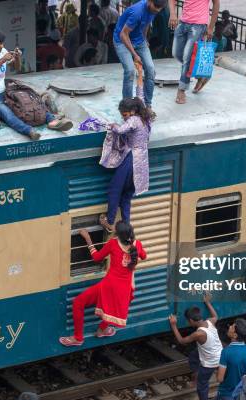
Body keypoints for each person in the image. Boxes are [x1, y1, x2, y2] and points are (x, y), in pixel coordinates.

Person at [59, 221, 147, 347]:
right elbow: (144, 256)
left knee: (78, 303)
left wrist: (88, 239)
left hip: (108, 286)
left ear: (117, 235)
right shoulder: (137, 245)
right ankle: (101, 330)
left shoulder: (112, 244)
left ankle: (78, 338)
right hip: (125, 289)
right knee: (111, 310)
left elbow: (96, 257)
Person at [0, 30, 72, 141]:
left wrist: (18, 57)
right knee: (6, 112)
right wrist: (1, 61)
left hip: (6, 90)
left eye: (2, 43)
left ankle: (52, 121)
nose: (2, 46)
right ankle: (28, 131)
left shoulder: (2, 51)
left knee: (31, 100)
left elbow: (17, 68)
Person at [99, 97, 152, 233]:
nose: (124, 118)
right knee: (126, 195)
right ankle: (126, 227)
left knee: (114, 189)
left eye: (125, 115)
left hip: (131, 159)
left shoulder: (133, 120)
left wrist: (111, 125)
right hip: (142, 162)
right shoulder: (145, 117)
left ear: (133, 111)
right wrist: (140, 75)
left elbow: (121, 130)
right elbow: (140, 95)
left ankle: (110, 221)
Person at [169, 293, 222, 400]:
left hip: (210, 362)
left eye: (188, 321)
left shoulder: (198, 333)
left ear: (192, 321)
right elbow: (215, 316)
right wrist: (207, 302)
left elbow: (182, 341)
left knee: (202, 385)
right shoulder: (210, 321)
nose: (188, 323)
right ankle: (196, 377)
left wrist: (173, 325)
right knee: (194, 356)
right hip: (219, 353)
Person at [113, 0, 166, 113]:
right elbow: (123, 34)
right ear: (150, 1)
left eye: (159, 8)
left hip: (139, 40)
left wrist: (144, 38)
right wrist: (135, 55)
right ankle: (127, 107)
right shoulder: (137, 12)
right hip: (122, 40)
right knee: (130, 71)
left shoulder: (154, 10)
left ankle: (147, 105)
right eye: (155, 6)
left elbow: (146, 23)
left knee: (151, 70)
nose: (157, 9)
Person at [169, 0, 220, 104]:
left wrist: (211, 27)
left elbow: (216, 3)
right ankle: (200, 75)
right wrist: (173, 13)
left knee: (187, 57)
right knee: (176, 53)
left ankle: (182, 89)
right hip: (183, 23)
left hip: (199, 25)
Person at [212, 318, 246, 400]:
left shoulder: (226, 352)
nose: (230, 327)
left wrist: (216, 372)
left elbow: (220, 378)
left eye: (232, 327)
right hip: (242, 393)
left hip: (226, 394)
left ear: (235, 335)